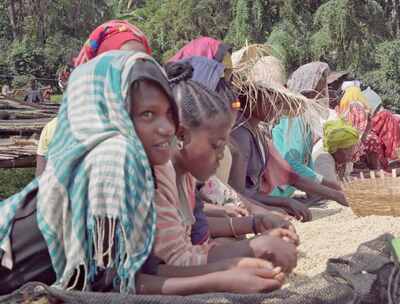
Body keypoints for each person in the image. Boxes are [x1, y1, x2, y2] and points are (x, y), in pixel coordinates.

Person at [0, 51, 285, 296]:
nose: (166, 128)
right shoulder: (111, 161)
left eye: (167, 114)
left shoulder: (146, 170)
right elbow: (114, 286)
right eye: (147, 114)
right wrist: (222, 276)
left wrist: (227, 267)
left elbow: (143, 269)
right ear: (113, 113)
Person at [152, 61, 298, 273]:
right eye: (217, 145)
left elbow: (194, 230)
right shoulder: (159, 180)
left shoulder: (187, 178)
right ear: (182, 135)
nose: (222, 154)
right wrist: (249, 251)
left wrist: (256, 224)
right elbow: (174, 261)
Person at [229, 56, 347, 222]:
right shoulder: (240, 134)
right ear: (254, 96)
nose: (278, 108)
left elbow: (290, 176)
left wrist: (336, 194)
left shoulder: (259, 135)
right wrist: (282, 203)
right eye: (274, 101)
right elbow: (237, 195)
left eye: (279, 101)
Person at [36, 20, 153, 177]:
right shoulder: (58, 130)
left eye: (143, 63)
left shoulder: (157, 129)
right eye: (124, 65)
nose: (136, 74)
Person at [271, 62, 343, 200]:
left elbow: (305, 160)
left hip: (284, 193)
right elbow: (291, 163)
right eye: (321, 83)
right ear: (310, 86)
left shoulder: (305, 115)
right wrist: (332, 188)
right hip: (274, 192)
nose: (324, 90)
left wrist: (317, 191)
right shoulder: (297, 115)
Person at [312, 119, 359, 184]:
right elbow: (331, 187)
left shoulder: (340, 160)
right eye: (349, 149)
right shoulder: (323, 159)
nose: (352, 153)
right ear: (337, 149)